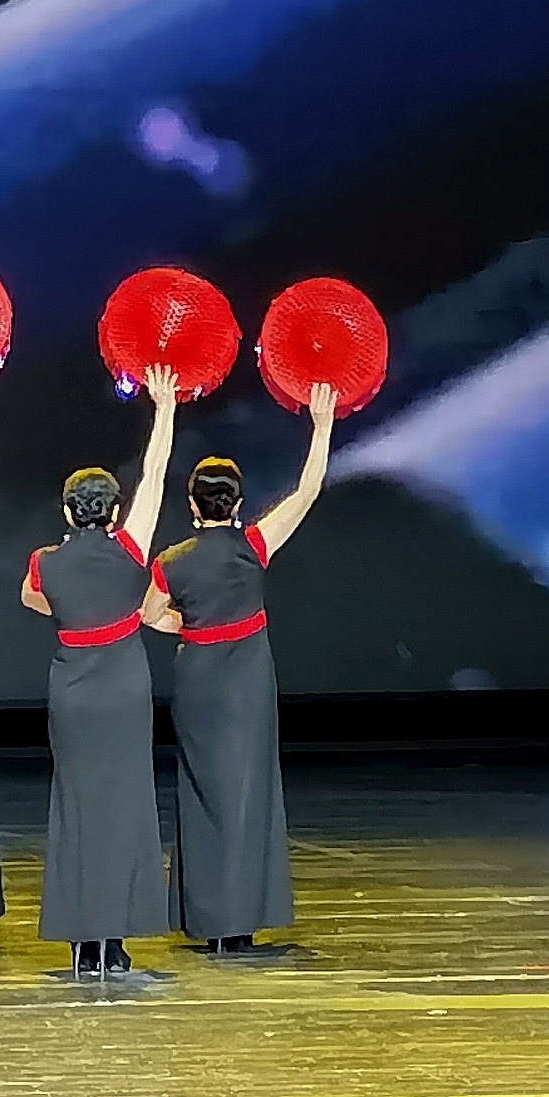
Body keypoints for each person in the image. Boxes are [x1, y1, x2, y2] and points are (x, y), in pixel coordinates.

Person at [149, 385, 338, 953]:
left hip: (199, 680)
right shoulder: (253, 544)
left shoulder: (171, 561)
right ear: (235, 504)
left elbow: (147, 616)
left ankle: (209, 920)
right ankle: (243, 921)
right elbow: (308, 490)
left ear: (193, 506)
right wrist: (322, 423)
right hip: (248, 680)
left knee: (203, 791)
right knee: (248, 791)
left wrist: (190, 627)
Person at [19, 368, 181, 975]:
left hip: (73, 691)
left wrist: (73, 611)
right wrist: (165, 409)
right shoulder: (131, 549)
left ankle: (83, 938)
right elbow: (155, 474)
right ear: (114, 512)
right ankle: (114, 938)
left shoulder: (45, 562)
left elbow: (32, 599)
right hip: (123, 687)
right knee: (126, 804)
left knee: (77, 808)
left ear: (68, 511)